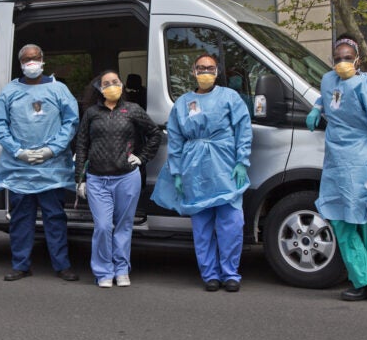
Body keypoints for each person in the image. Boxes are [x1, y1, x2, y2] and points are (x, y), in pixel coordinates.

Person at [306, 37, 367, 305]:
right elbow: (324, 95)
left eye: (347, 57)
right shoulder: (327, 80)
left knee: (363, 219)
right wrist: (316, 107)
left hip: (362, 159)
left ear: (358, 59)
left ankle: (365, 280)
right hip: (337, 160)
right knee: (341, 217)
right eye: (337, 58)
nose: (341, 62)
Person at [151, 54, 253, 292]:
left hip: (225, 166)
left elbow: (243, 129)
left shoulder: (230, 97)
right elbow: (175, 139)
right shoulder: (183, 103)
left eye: (210, 67)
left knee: (232, 224)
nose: (205, 71)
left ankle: (230, 273)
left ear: (217, 71)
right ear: (193, 71)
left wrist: (242, 161)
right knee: (202, 227)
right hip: (194, 170)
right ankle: (210, 274)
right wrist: (176, 172)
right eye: (201, 67)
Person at [0, 44, 80, 282]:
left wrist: (52, 150)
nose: (31, 62)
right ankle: (21, 264)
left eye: (35, 58)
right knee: (21, 218)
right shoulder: (10, 91)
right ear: (20, 63)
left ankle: (61, 265)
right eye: (26, 59)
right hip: (19, 168)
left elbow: (71, 122)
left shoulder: (59, 90)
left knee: (55, 217)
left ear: (43, 60)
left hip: (52, 167)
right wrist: (18, 151)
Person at [75, 70, 162, 288]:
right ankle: (103, 270)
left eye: (115, 82)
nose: (112, 86)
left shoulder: (132, 110)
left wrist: (141, 158)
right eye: (107, 83)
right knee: (103, 226)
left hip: (126, 178)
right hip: (97, 179)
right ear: (99, 88)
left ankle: (122, 269)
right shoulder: (92, 113)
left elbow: (154, 134)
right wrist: (80, 179)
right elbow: (82, 144)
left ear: (121, 85)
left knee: (124, 226)